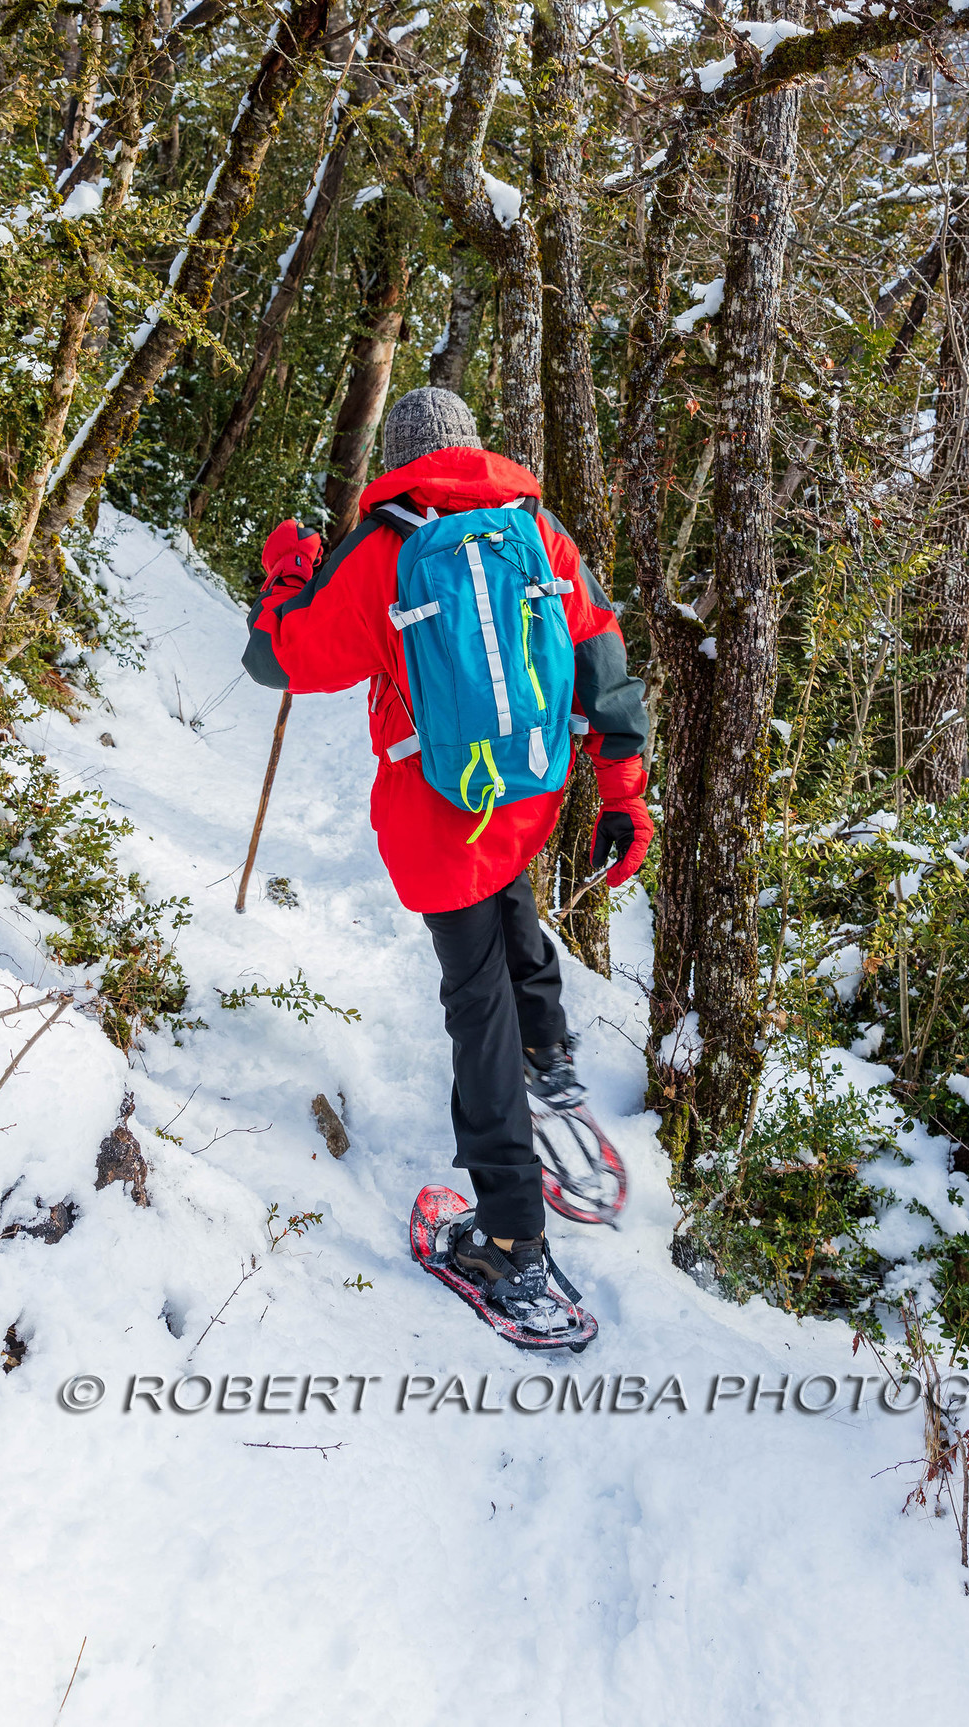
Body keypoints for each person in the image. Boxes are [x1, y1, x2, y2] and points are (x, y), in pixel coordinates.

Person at [242, 386, 652, 1326]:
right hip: (528, 786)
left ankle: (511, 1240)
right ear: (471, 445)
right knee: (511, 892)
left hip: (438, 809)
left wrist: (285, 577)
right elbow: (602, 656)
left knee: (474, 1003)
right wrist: (624, 794)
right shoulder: (534, 527)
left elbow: (287, 660)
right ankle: (549, 1050)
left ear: (403, 455)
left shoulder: (384, 550)